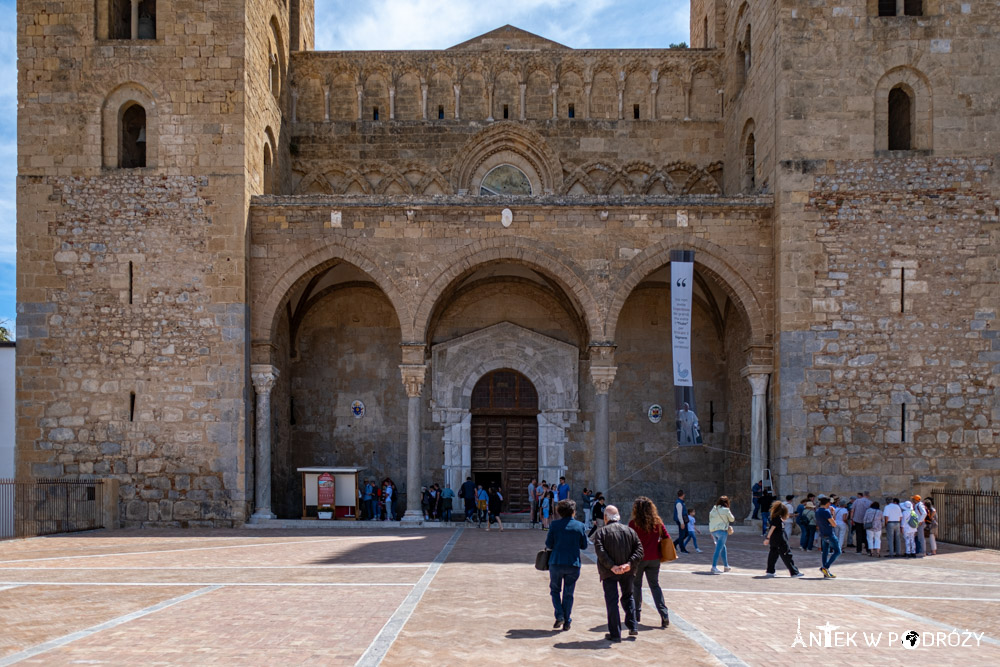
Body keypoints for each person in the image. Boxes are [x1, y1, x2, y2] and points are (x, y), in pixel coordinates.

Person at [594, 505, 643, 643]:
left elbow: (600, 552)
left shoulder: (601, 533)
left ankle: (615, 634)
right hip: (627, 571)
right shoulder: (630, 531)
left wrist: (612, 566)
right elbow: (639, 550)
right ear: (619, 517)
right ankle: (633, 625)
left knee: (612, 601)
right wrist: (629, 564)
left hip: (609, 572)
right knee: (628, 596)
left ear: (605, 518)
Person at [545, 499, 588, 631]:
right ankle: (567, 620)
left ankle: (559, 615)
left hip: (556, 562)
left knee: (555, 590)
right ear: (573, 511)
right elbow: (584, 545)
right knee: (569, 593)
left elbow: (548, 544)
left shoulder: (554, 525)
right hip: (573, 563)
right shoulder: (580, 526)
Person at [628, 496, 671, 628]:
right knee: (655, 586)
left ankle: (636, 614)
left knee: (636, 586)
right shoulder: (658, 522)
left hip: (638, 559)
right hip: (654, 558)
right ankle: (664, 614)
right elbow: (667, 537)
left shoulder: (633, 524)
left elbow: (629, 541)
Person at [763, 501, 804, 578]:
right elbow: (772, 528)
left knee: (773, 555)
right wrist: (767, 538)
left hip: (774, 540)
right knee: (787, 555)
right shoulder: (777, 519)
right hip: (780, 540)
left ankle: (770, 571)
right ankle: (794, 572)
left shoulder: (775, 518)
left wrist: (769, 538)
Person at [708, 496, 735, 574]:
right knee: (718, 549)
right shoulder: (726, 510)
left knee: (723, 547)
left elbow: (710, 519)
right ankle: (714, 567)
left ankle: (726, 566)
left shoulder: (714, 509)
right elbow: (732, 519)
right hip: (722, 531)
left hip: (713, 530)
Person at [816, 496, 841, 578]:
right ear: (827, 503)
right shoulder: (826, 512)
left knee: (825, 552)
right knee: (837, 551)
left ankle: (825, 572)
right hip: (829, 534)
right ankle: (825, 567)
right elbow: (834, 524)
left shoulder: (818, 511)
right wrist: (833, 513)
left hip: (823, 533)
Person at [672, 490, 690, 554]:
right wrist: (682, 523)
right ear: (682, 495)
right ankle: (682, 549)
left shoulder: (681, 502)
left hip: (683, 520)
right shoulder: (679, 503)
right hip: (681, 521)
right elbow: (679, 514)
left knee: (686, 533)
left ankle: (674, 543)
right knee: (682, 535)